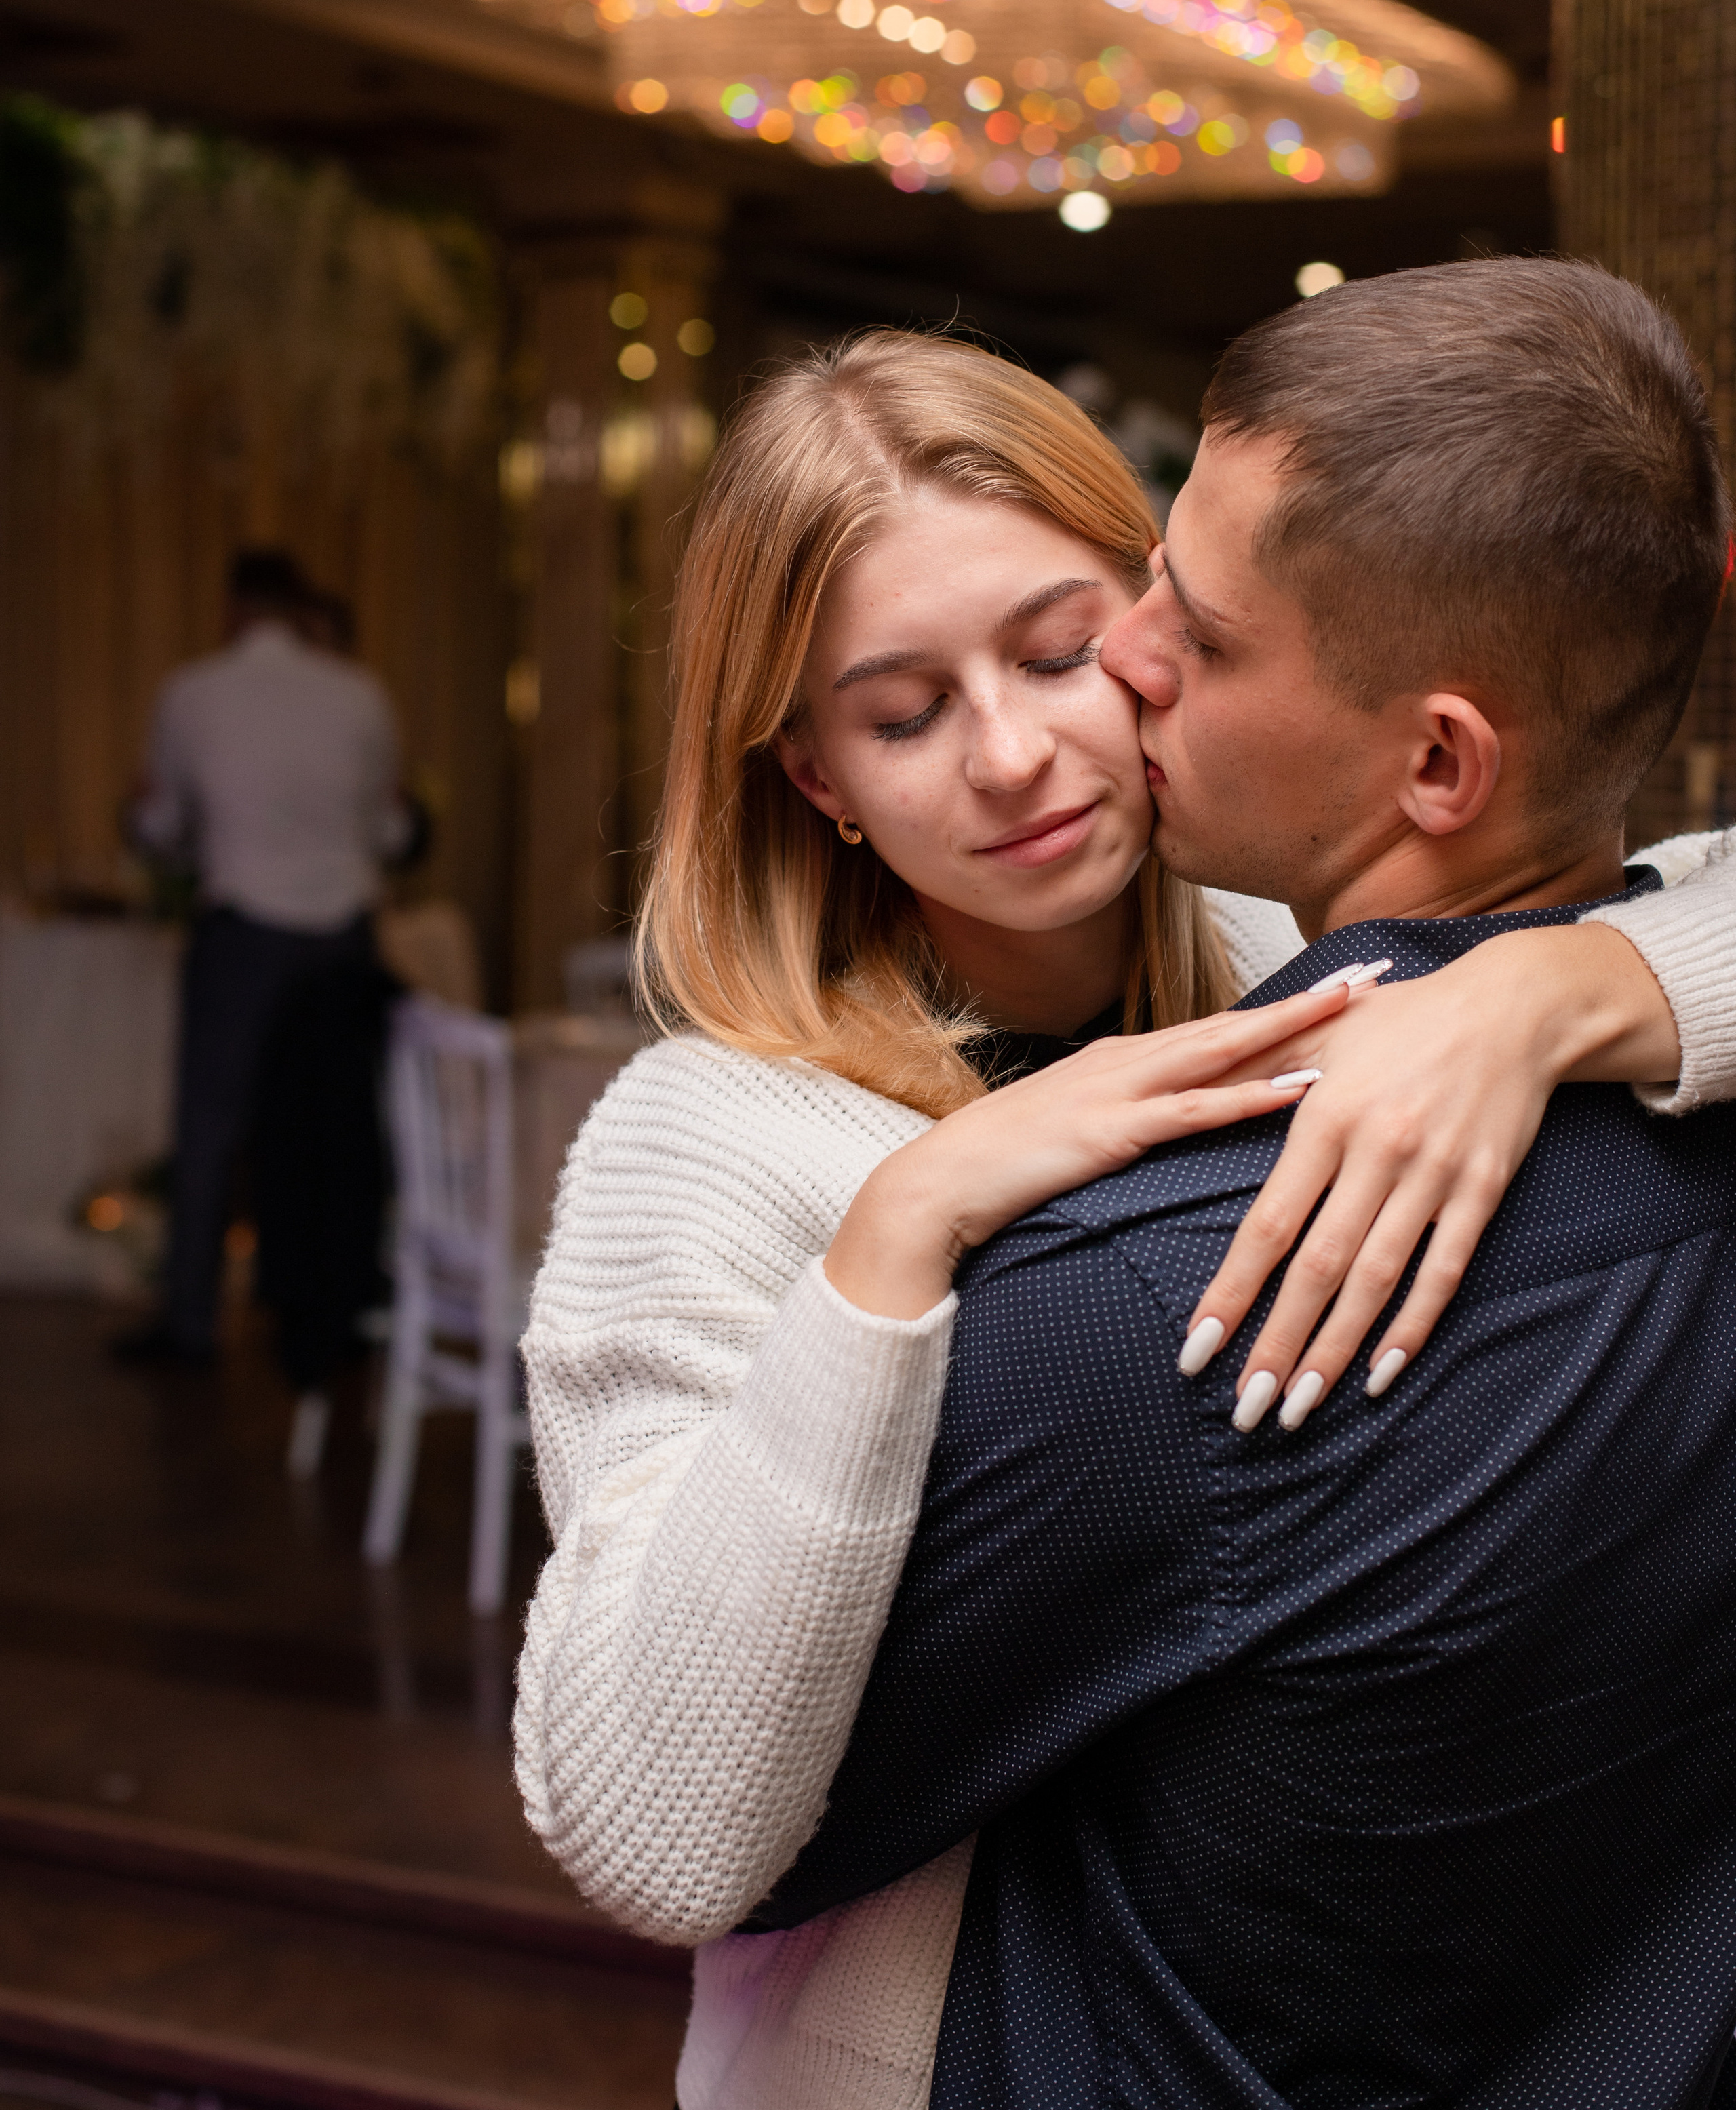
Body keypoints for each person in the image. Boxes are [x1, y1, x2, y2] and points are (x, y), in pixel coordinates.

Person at [513, 319, 1736, 2109]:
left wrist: (1563, 989)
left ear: (1154, 638)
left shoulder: (1283, 951)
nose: (1012, 755)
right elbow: (644, 1822)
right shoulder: (705, 1141)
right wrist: (899, 1236)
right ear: (818, 781)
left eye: (1067, 646)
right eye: (904, 711)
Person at [118, 546, 409, 1365]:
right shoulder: (361, 695)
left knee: (211, 1127)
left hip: (242, 927)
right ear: (300, 605)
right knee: (340, 1131)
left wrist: (136, 820)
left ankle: (190, 1323)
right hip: (344, 937)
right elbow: (386, 833)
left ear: (233, 608)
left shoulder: (192, 692)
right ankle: (335, 1312)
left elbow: (166, 828)